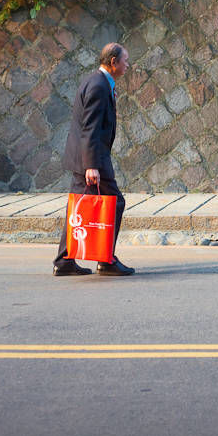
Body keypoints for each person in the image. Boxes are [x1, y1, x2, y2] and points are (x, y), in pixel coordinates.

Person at [53, 42, 135, 276]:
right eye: (125, 61)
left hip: (86, 157)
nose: (127, 65)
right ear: (113, 62)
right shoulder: (99, 86)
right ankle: (106, 260)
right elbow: (90, 127)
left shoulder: (95, 81)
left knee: (77, 209)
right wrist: (92, 166)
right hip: (91, 159)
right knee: (115, 203)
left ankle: (63, 261)